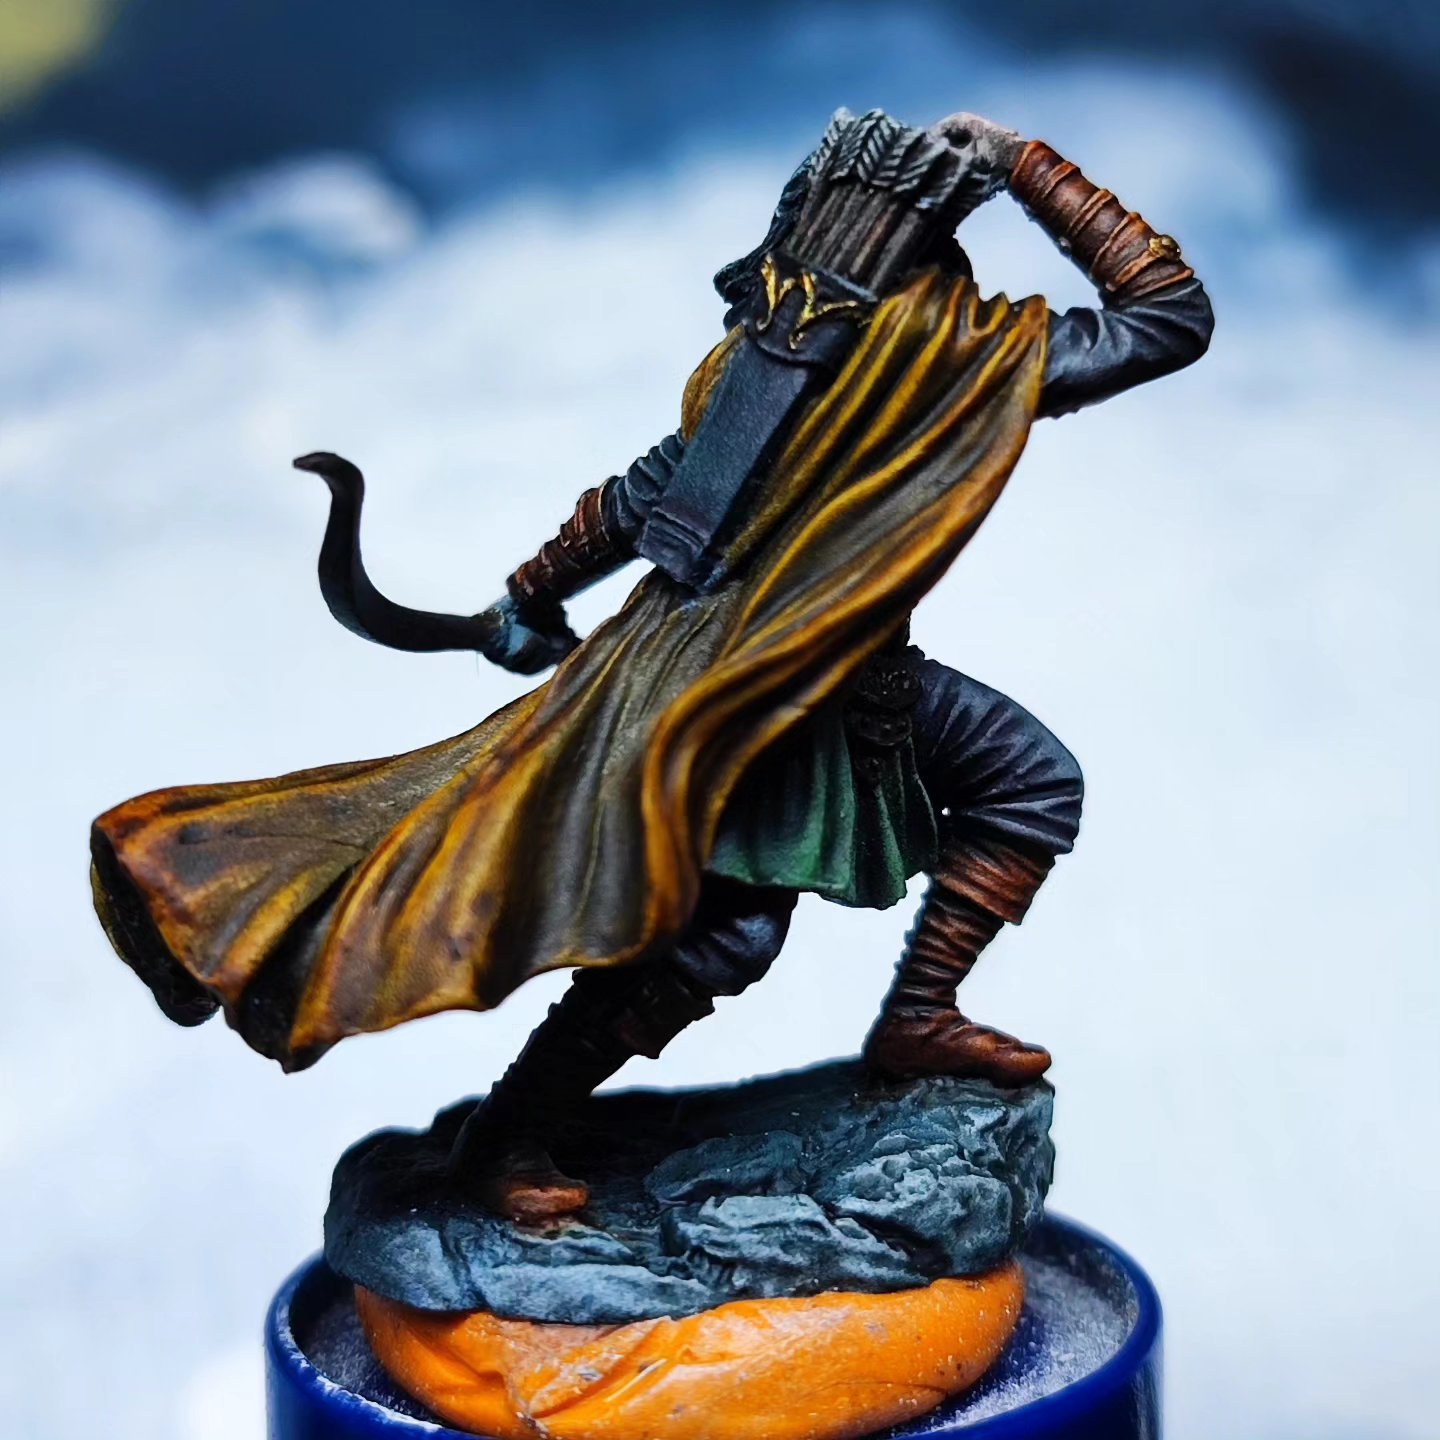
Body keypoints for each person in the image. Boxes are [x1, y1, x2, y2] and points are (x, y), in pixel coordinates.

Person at [91, 109, 1212, 1220]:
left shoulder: (929, 358)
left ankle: (918, 1014)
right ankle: (506, 1134)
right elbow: (668, 490)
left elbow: (651, 490)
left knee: (1021, 782)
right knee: (714, 933)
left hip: (831, 678)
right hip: (728, 693)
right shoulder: (859, 357)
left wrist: (532, 594)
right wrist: (1026, 165)